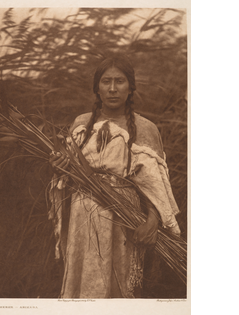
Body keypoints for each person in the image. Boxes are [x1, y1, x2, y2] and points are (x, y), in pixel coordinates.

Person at [48, 56, 181, 298]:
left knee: (120, 286)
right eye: (105, 81)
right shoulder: (81, 124)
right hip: (82, 217)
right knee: (85, 284)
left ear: (130, 87)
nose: (112, 88)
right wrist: (60, 168)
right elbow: (68, 176)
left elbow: (155, 187)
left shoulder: (145, 128)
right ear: (96, 88)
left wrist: (152, 221)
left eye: (119, 81)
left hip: (124, 220)